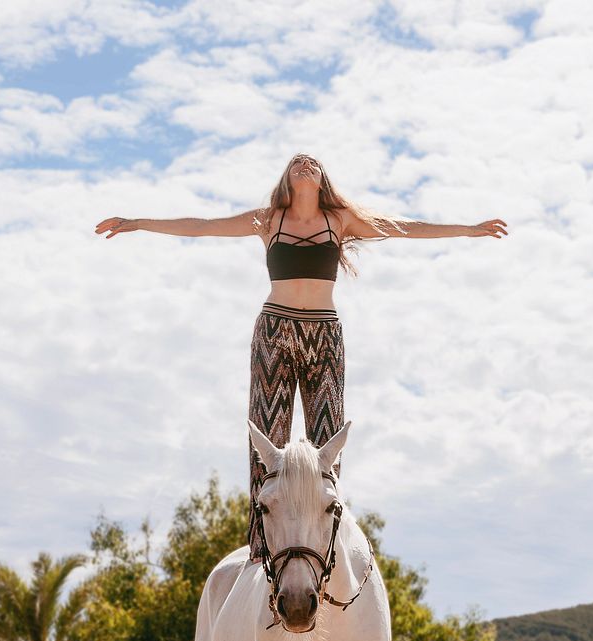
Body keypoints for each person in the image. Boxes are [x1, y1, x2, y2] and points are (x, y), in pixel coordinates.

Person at [95, 154, 507, 560]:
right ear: (287, 179)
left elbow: (405, 228)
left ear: (322, 178)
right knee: (267, 441)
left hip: (324, 337)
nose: (305, 165)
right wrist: (137, 222)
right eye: (297, 163)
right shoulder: (268, 220)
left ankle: (328, 543)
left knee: (327, 443)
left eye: (312, 163)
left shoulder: (340, 220)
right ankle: (262, 548)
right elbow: (202, 226)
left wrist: (469, 230)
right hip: (274, 332)